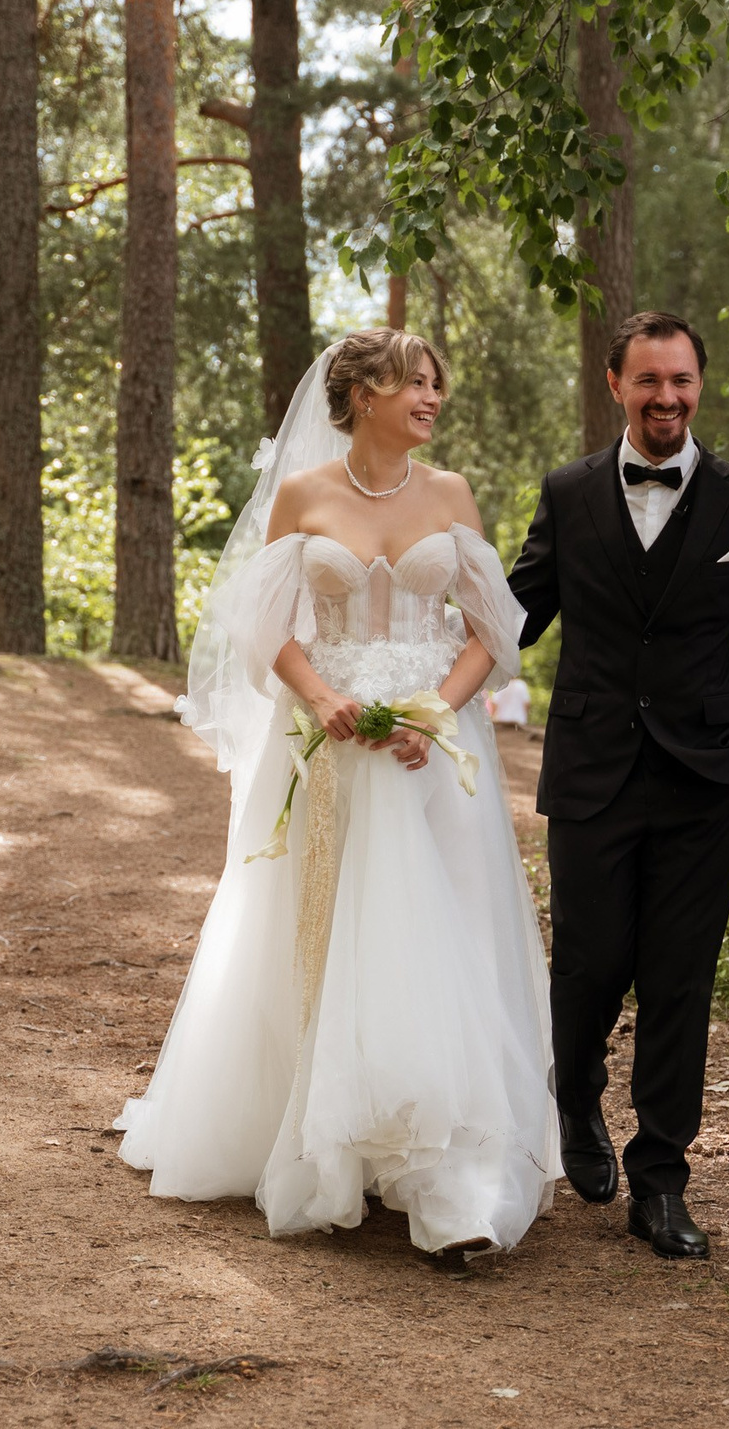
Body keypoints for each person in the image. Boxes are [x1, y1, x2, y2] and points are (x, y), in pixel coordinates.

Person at [116, 331, 558, 1260]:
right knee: (318, 939)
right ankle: (328, 1145)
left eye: (437, 382)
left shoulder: (450, 494)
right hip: (330, 743)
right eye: (413, 382)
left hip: (427, 752)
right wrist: (321, 698)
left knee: (439, 938)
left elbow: (491, 632)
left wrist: (435, 714)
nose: (431, 397)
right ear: (361, 393)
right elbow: (264, 627)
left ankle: (446, 1180)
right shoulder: (304, 495)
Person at [506, 310, 729, 1259]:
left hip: (706, 780)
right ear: (615, 383)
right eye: (649, 381)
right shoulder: (569, 490)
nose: (667, 397)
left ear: (699, 387)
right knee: (586, 965)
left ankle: (661, 1178)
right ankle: (579, 1110)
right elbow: (514, 614)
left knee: (679, 979)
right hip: (591, 771)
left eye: (682, 382)